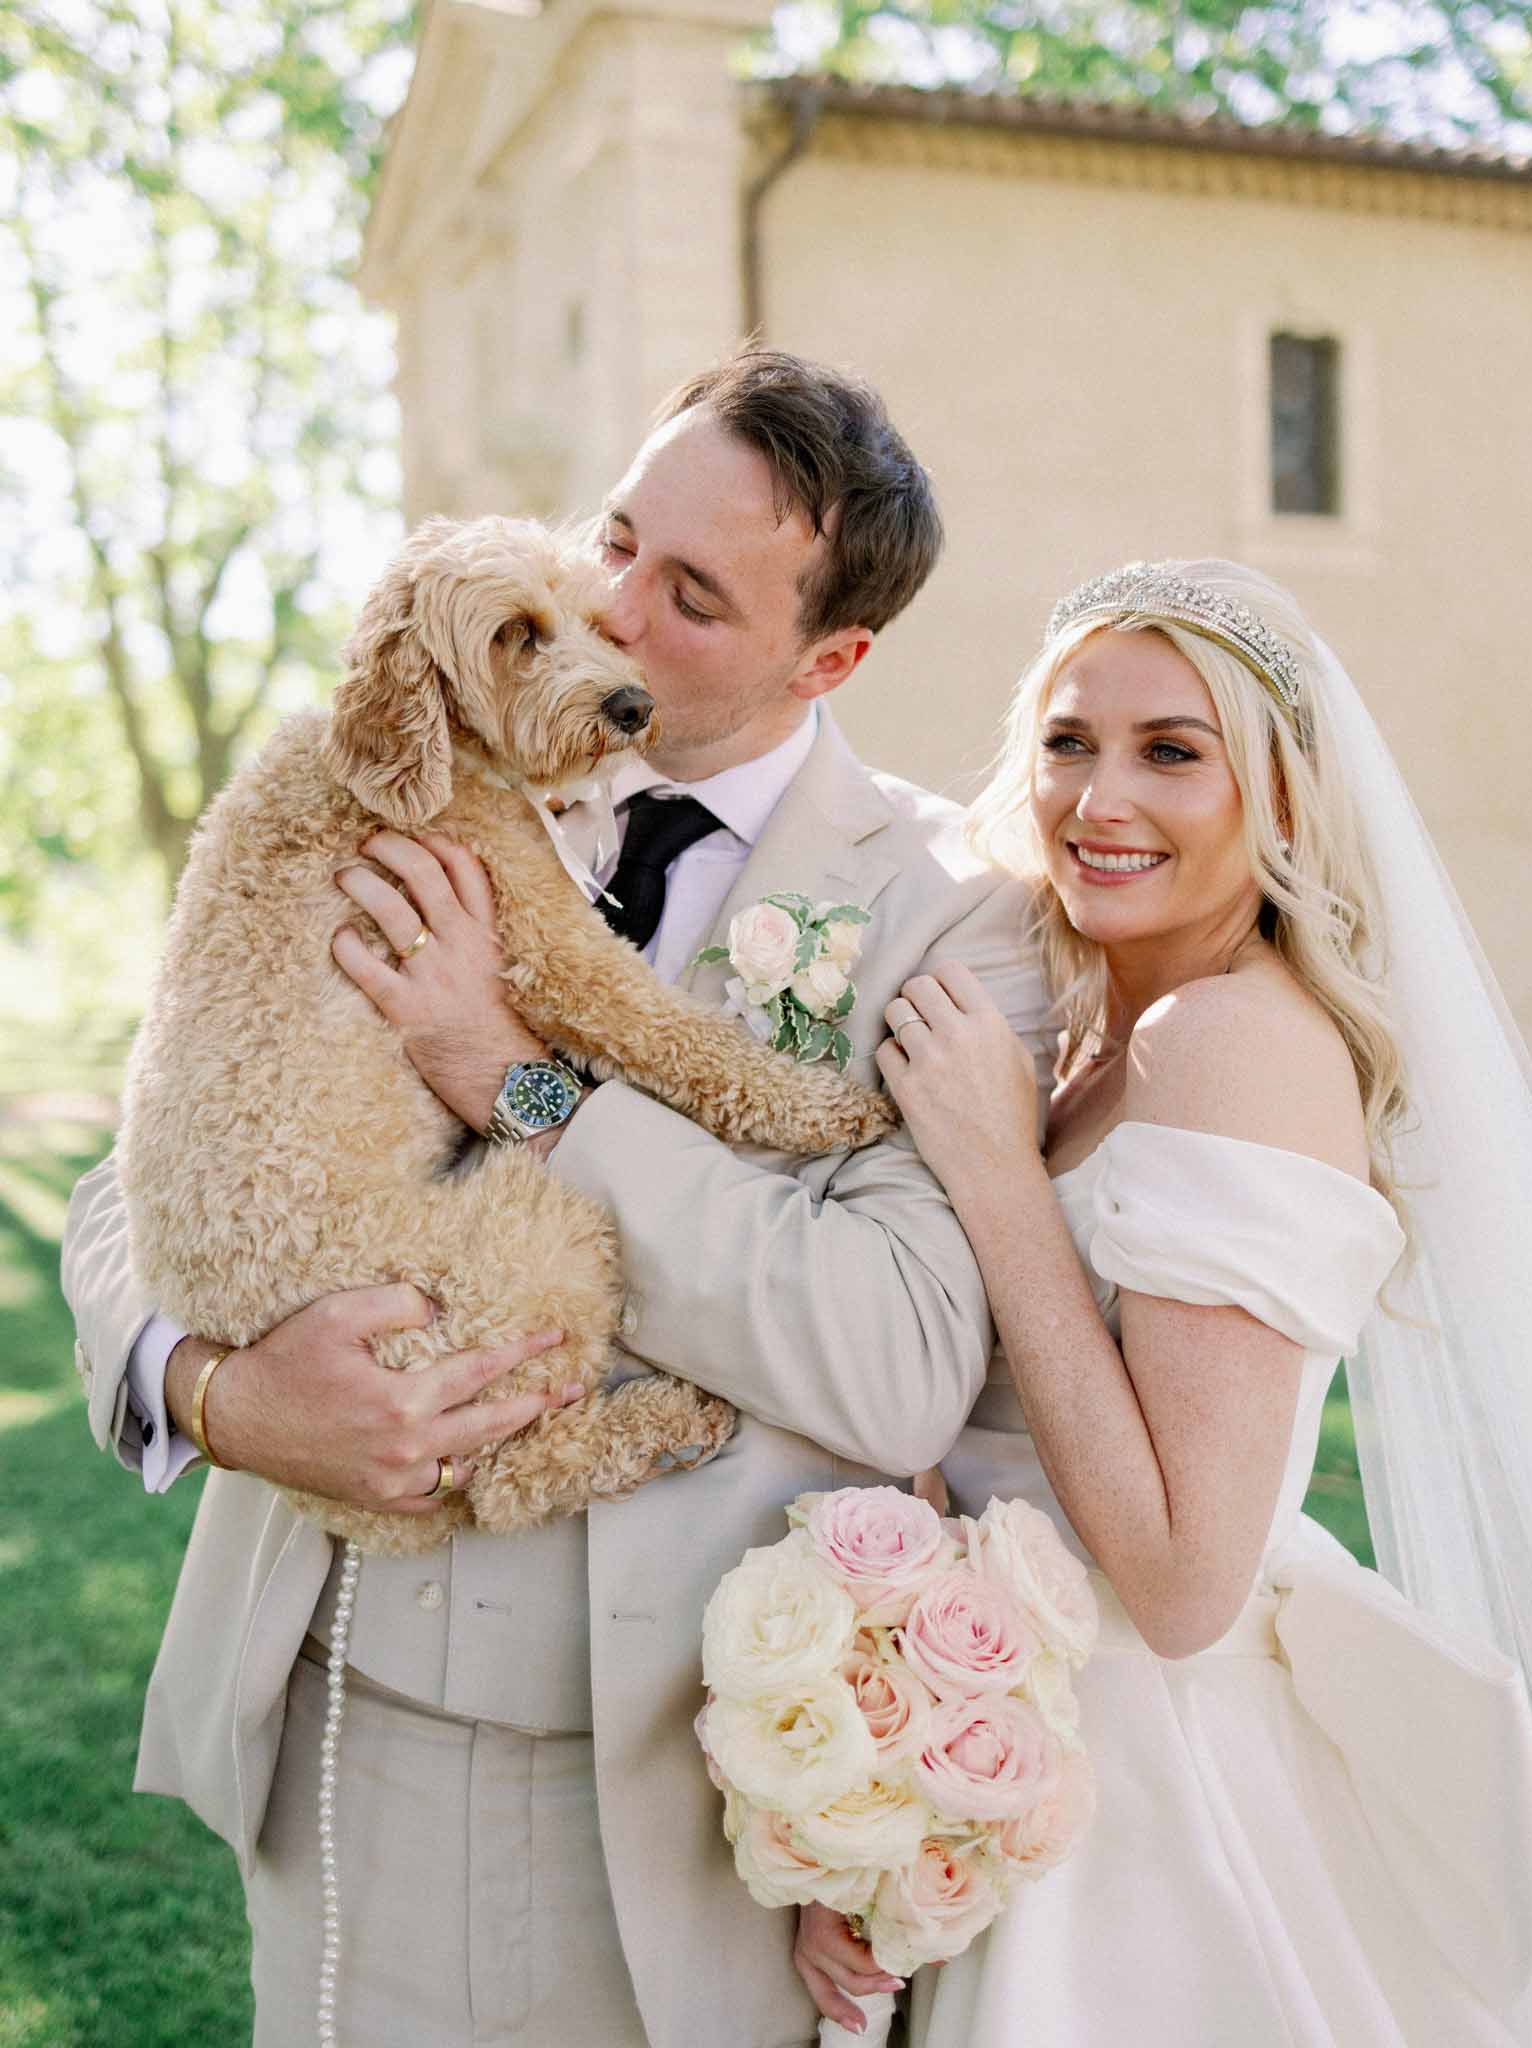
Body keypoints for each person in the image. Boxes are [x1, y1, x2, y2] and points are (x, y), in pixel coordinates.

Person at [60, 349, 1053, 2047]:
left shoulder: (946, 914)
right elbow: (138, 1165)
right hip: (332, 1717)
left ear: (831, 658)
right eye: (612, 539)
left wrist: (510, 1075)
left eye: (689, 596)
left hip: (668, 1799)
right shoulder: (409, 757)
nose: (604, 609)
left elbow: (889, 1355)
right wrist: (215, 1390)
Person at [796, 557, 1532, 2044]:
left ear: (1276, 799)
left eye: (1172, 752)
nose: (1098, 798)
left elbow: (1187, 1584)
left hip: (1152, 1805)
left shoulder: (1235, 1040)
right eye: (1069, 742)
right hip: (1013, 1748)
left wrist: (1002, 1183)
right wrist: (879, 1795)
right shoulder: (1090, 1037)